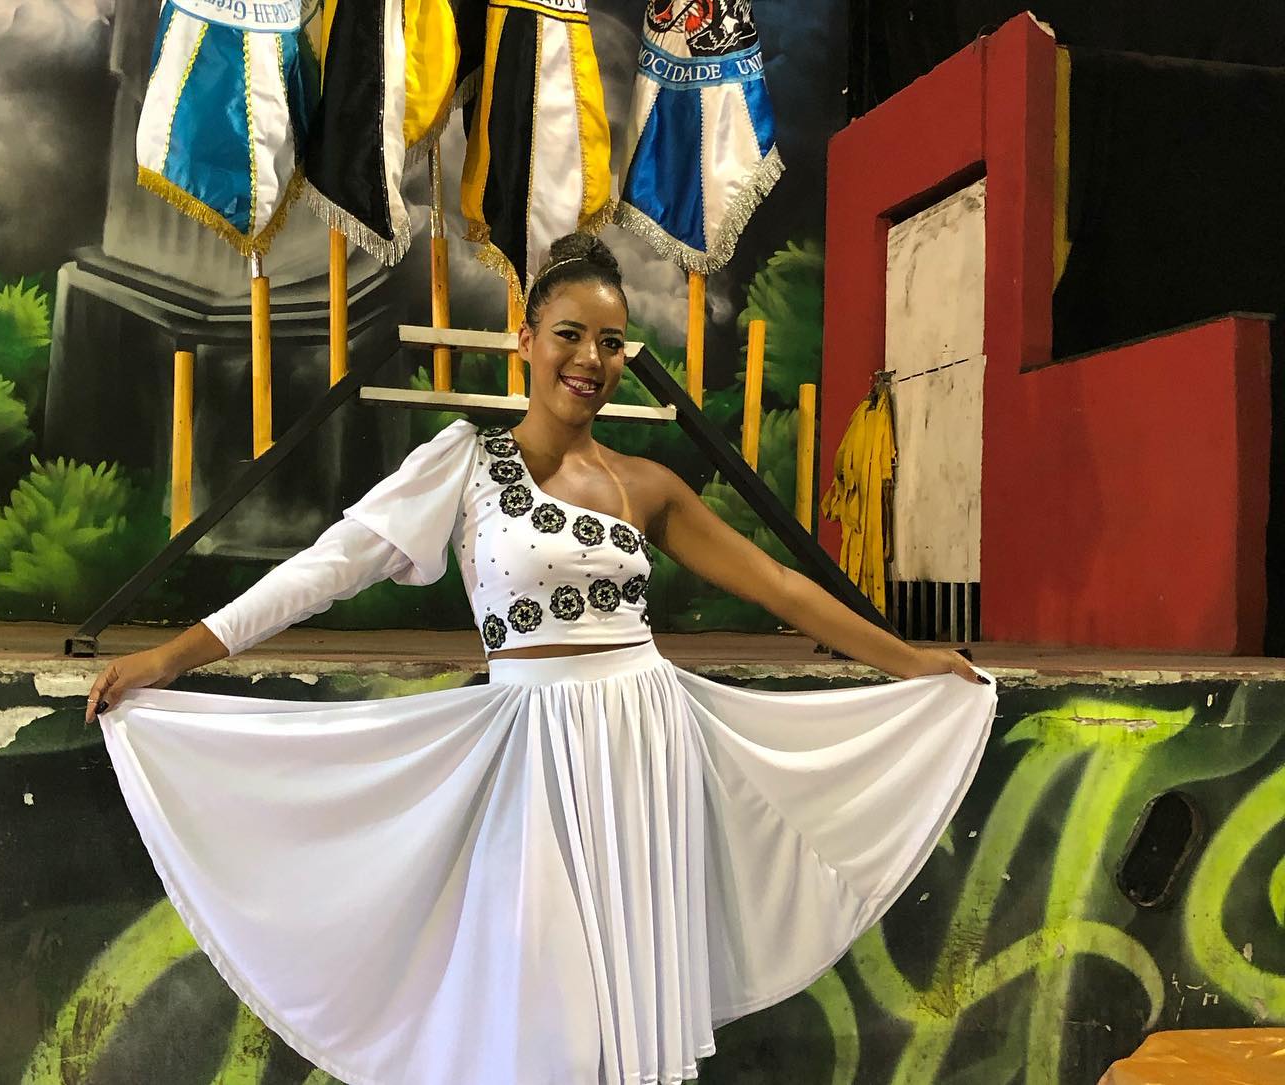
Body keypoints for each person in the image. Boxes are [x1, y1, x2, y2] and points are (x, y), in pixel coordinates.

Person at [87, 233, 996, 1085]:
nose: (590, 358)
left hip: (645, 750)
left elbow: (784, 588)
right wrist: (171, 655)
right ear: (525, 340)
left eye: (612, 342)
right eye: (570, 334)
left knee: (625, 1004)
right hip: (530, 755)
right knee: (543, 1008)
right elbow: (325, 569)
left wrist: (908, 661)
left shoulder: (647, 486)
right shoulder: (463, 463)